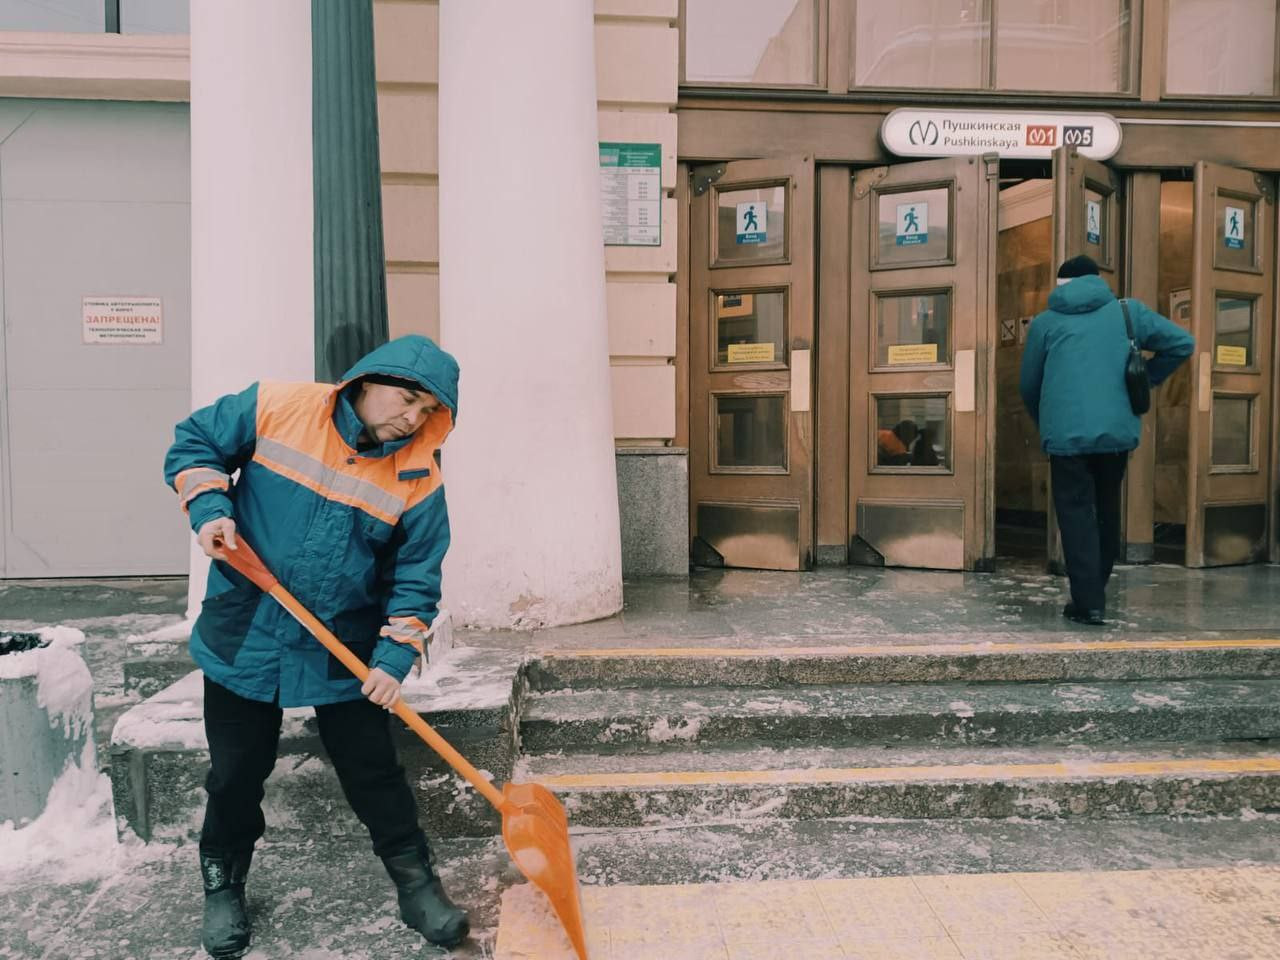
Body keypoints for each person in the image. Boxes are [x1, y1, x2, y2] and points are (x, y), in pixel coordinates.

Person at [164, 335, 468, 958]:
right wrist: (210, 508)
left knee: (374, 771)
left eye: (426, 411)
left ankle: (417, 886)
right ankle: (223, 885)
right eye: (406, 399)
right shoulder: (277, 406)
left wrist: (392, 659)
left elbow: (416, 578)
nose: (411, 419)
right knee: (236, 774)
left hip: (341, 640)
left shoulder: (418, 476)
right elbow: (196, 442)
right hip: (246, 628)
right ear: (366, 379)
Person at [1020, 256, 1194, 625]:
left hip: (1066, 437)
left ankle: (1089, 602)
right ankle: (1094, 590)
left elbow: (1028, 386)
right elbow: (1182, 343)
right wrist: (1145, 379)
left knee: (1076, 515)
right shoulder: (1129, 313)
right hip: (1115, 434)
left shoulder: (1045, 323)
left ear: (1060, 285)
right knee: (1107, 509)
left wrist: (1047, 423)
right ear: (1097, 281)